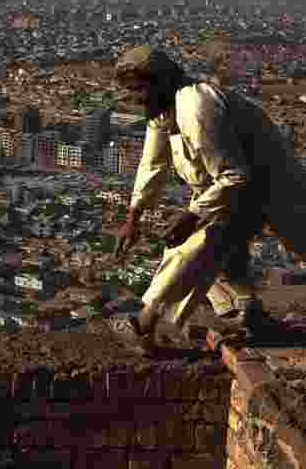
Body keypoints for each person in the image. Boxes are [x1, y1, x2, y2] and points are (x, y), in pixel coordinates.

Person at [110, 45, 274, 353]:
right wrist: (134, 216)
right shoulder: (163, 109)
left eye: (137, 90)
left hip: (252, 185)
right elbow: (152, 164)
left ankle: (143, 325)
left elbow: (235, 176)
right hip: (223, 188)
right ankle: (250, 312)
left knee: (192, 248)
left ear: (159, 82)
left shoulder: (196, 107)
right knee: (222, 255)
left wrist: (193, 215)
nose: (132, 99)